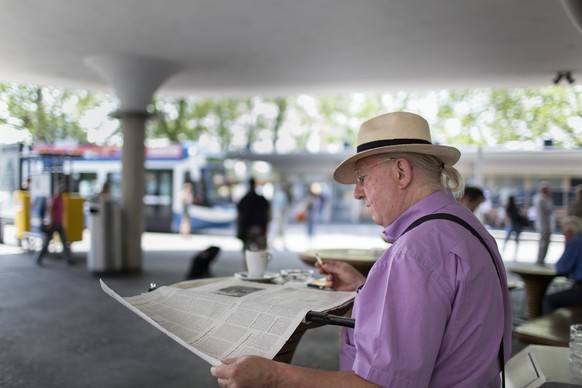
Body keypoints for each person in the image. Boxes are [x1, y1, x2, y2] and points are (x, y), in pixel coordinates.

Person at [211, 112, 512, 387]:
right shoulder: (464, 226)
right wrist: (367, 291)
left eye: (362, 177)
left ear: (401, 172)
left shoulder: (414, 252)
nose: (357, 192)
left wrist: (274, 377)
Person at [542, 216, 582, 314]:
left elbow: (562, 268)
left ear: (569, 232)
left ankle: (550, 327)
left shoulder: (575, 242)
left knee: (549, 300)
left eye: (564, 233)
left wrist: (566, 245)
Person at [34, 183, 73, 265]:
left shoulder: (61, 199)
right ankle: (39, 258)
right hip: (54, 223)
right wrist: (50, 222)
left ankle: (68, 258)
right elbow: (50, 209)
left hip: (59, 223)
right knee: (49, 241)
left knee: (64, 241)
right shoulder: (55, 198)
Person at [236, 177, 271, 255]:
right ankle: (260, 267)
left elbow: (239, 216)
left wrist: (239, 228)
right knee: (261, 252)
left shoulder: (243, 199)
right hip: (260, 228)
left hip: (246, 229)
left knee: (247, 253)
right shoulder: (262, 199)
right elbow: (267, 214)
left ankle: (247, 267)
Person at [534, 182, 554, 266]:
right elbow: (549, 210)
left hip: (541, 225)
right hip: (544, 225)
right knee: (544, 243)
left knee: (542, 243)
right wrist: (549, 199)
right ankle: (541, 259)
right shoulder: (543, 200)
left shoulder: (537, 198)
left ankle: (540, 259)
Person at [502, 195, 525, 261]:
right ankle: (515, 256)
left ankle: (502, 254)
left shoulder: (508, 207)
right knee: (516, 241)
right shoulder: (516, 208)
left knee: (506, 240)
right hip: (517, 225)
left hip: (511, 225)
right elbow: (519, 216)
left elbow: (507, 217)